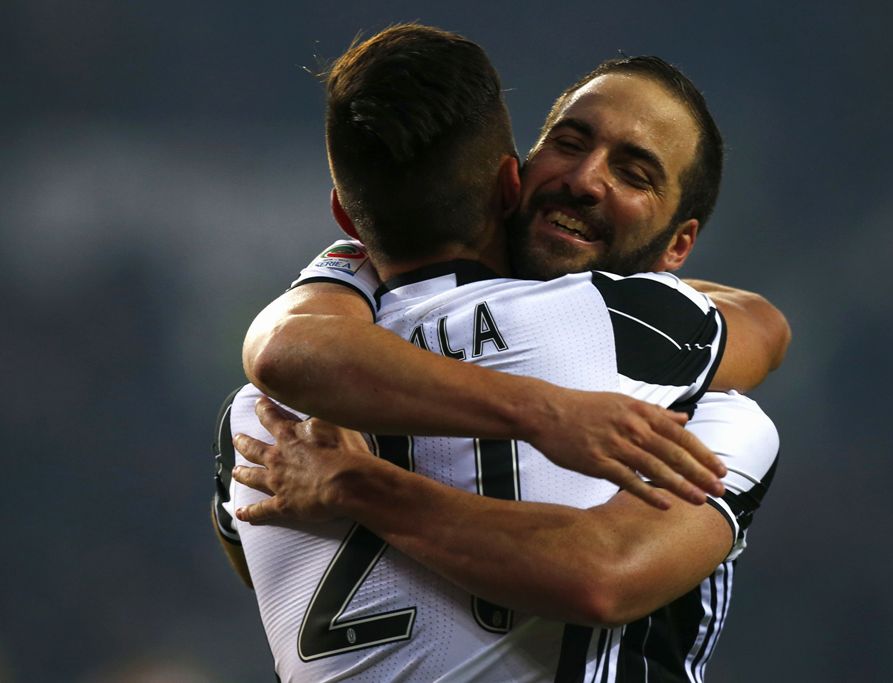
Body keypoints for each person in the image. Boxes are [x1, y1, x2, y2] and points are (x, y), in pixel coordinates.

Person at [216, 23, 787, 682]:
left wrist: (359, 482)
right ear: (514, 177)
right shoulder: (631, 336)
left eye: (633, 173)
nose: (585, 179)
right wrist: (544, 411)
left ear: (347, 215)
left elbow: (283, 353)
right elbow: (765, 325)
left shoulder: (256, 420)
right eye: (569, 143)